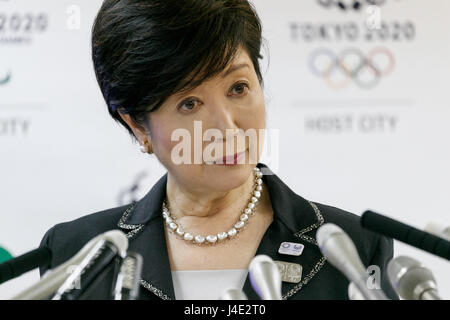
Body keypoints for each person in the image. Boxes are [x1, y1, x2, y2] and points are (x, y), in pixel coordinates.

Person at [39, 0, 398, 300]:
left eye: (238, 88)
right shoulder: (77, 251)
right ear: (138, 125)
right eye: (190, 103)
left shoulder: (351, 247)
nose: (226, 127)